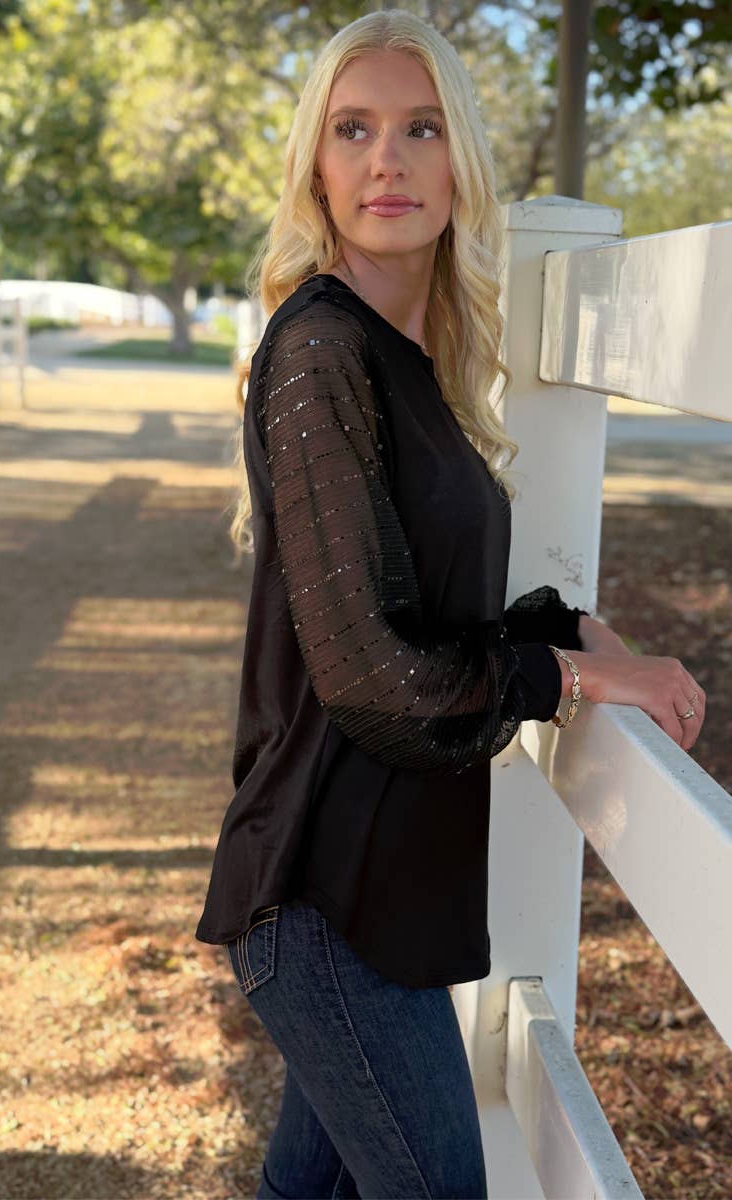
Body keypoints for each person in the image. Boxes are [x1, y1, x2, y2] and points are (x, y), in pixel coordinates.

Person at [194, 10, 706, 1198]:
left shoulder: (404, 360)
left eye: (419, 128)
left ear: (459, 160)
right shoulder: (320, 352)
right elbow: (378, 679)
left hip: (381, 898)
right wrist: (575, 681)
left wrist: (558, 629)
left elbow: (419, 602)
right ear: (315, 168)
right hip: (323, 902)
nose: (387, 159)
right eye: (354, 129)